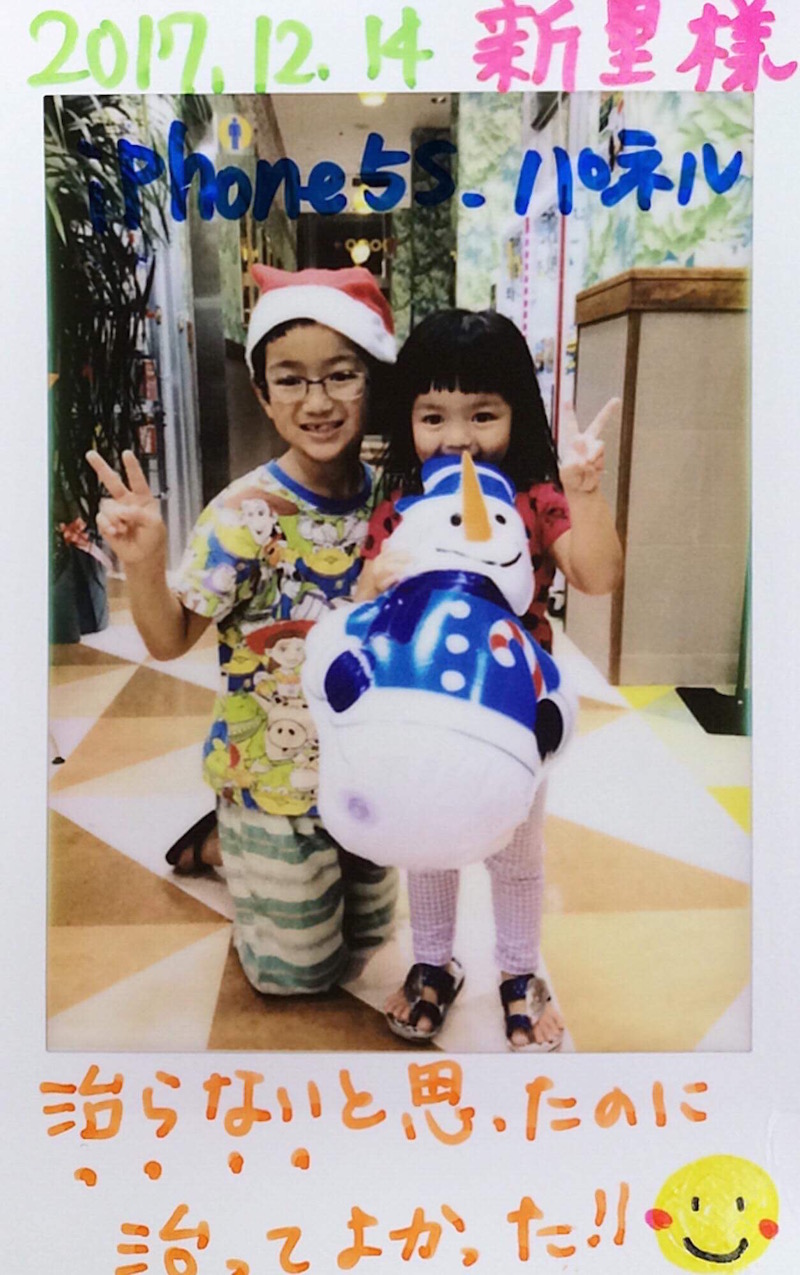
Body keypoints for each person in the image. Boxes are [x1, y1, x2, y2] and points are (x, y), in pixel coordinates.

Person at [87, 265, 399, 997]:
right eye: (290, 380)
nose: (317, 401)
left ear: (372, 380)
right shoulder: (242, 515)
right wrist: (146, 562)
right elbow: (169, 640)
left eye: (341, 375)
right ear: (262, 393)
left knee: (374, 934)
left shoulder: (393, 501)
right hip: (271, 776)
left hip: (367, 769)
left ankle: (235, 848)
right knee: (298, 976)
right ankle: (228, 841)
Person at [355, 309, 623, 1049]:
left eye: (483, 414)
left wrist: (584, 492)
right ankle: (432, 963)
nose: (458, 438)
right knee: (427, 840)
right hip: (424, 711)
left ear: (516, 415)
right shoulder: (400, 510)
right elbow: (365, 607)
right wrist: (374, 582)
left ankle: (518, 971)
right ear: (408, 419)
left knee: (516, 852)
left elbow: (598, 575)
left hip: (514, 713)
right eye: (433, 416)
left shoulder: (535, 500)